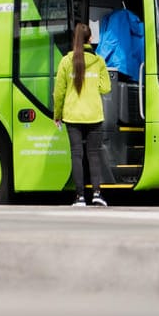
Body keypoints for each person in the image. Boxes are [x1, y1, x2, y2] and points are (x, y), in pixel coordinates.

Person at [54, 22, 112, 207]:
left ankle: (79, 197)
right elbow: (106, 88)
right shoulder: (99, 61)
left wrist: (57, 114)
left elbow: (59, 92)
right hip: (94, 115)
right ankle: (96, 193)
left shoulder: (65, 61)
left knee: (76, 155)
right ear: (90, 39)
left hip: (72, 115)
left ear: (75, 40)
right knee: (93, 155)